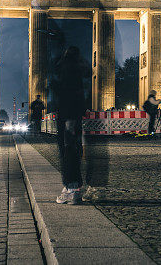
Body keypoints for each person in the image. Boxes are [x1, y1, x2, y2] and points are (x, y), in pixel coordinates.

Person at [51, 46, 90, 204]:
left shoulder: (67, 69)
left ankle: (71, 189)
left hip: (68, 116)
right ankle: (74, 188)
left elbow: (68, 93)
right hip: (73, 115)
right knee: (73, 149)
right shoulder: (77, 70)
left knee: (68, 151)